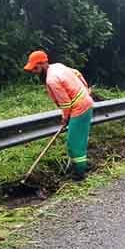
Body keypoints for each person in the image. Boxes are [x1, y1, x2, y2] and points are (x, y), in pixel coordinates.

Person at [23, 50, 94, 181]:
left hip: (79, 107)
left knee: (74, 144)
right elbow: (77, 73)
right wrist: (85, 89)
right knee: (78, 140)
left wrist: (65, 118)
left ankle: (80, 175)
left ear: (43, 63)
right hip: (84, 102)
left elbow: (65, 103)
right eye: (32, 69)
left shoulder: (51, 80)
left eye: (35, 68)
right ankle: (82, 166)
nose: (34, 71)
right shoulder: (58, 66)